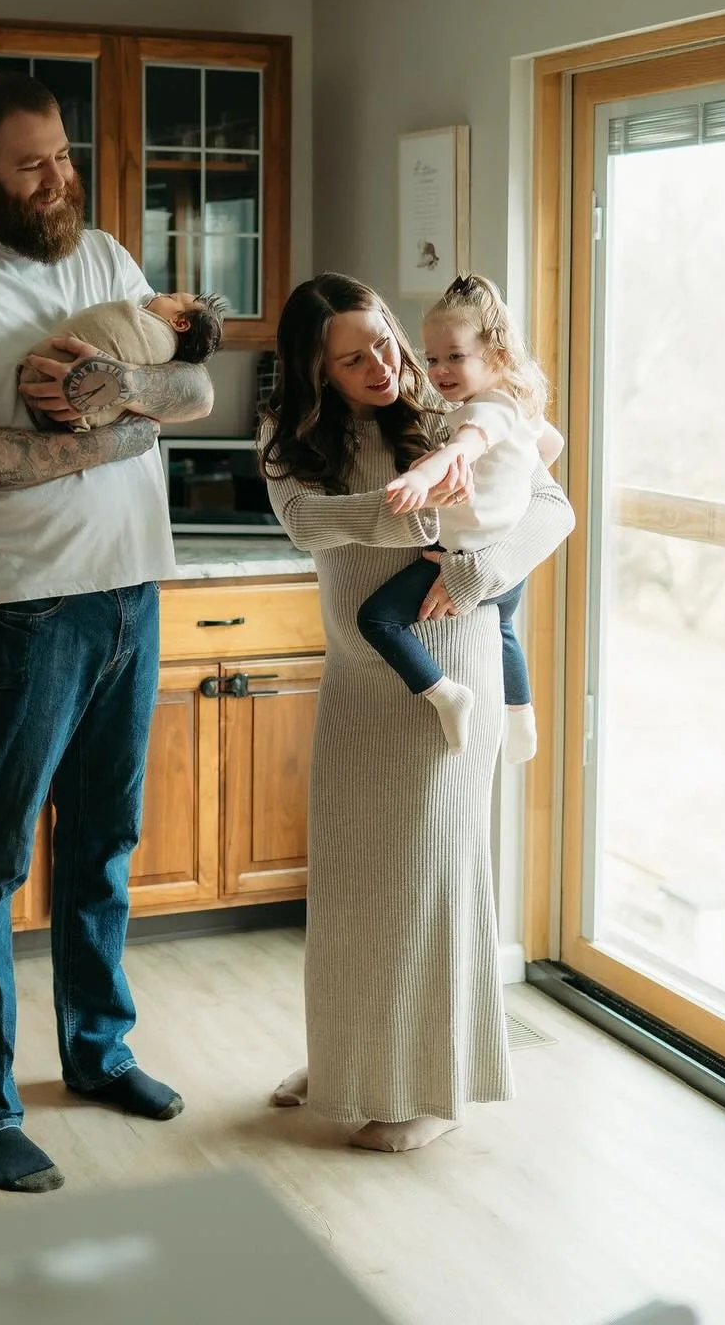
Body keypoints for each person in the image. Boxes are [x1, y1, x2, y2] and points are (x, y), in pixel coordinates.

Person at [0, 70, 214, 1195]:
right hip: (25, 611)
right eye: (33, 164)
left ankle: (99, 1051)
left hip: (134, 591)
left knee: (104, 845)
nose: (58, 178)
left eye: (65, 155)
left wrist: (123, 394)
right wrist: (111, 432)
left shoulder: (108, 258)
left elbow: (189, 392)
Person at [259, 273, 574, 1152]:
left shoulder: (446, 413)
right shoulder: (288, 438)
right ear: (313, 370)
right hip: (362, 680)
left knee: (428, 882)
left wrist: (468, 570)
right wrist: (415, 515)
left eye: (388, 344)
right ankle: (350, 1062)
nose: (387, 366)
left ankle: (433, 1087)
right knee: (355, 882)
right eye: (354, 358)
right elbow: (308, 524)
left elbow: (552, 508)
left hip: (452, 673)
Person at [356, 274, 564, 766]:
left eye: (455, 356)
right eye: (431, 358)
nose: (439, 370)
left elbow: (463, 448)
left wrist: (419, 480)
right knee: (504, 632)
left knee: (377, 619)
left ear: (495, 356)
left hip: (466, 557)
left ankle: (445, 692)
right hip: (505, 561)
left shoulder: (486, 412)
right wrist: (508, 487)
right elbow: (550, 446)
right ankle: (521, 717)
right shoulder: (516, 403)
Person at [18, 289, 224, 429]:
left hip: (41, 381)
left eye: (170, 297)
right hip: (65, 421)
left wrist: (117, 381)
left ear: (179, 323)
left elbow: (203, 399)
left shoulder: (156, 336)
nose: (159, 293)